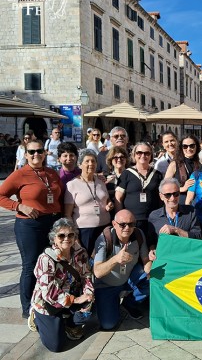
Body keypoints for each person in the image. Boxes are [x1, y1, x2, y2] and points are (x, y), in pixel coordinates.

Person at [0, 139, 62, 318]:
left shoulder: (51, 173)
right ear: (25, 154)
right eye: (32, 152)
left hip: (53, 224)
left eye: (39, 151)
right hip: (30, 225)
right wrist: (19, 206)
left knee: (52, 263)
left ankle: (47, 298)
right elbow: (1, 195)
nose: (36, 154)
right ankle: (27, 307)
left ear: (44, 153)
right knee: (30, 265)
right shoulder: (20, 174)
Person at [29, 219, 94, 352]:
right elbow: (50, 294)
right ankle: (35, 318)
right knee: (56, 346)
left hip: (71, 295)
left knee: (93, 307)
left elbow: (86, 275)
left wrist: (88, 294)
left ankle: (69, 323)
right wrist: (76, 300)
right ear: (54, 238)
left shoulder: (80, 252)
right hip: (48, 304)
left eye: (70, 235)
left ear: (75, 237)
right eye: (61, 236)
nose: (66, 239)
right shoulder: (46, 259)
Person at [93, 209, 152, 329]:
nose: (127, 228)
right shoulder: (104, 238)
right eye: (122, 224)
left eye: (131, 224)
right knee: (108, 324)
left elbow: (146, 260)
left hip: (128, 278)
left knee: (153, 281)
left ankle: (129, 302)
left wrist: (150, 272)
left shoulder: (138, 234)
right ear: (114, 224)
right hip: (106, 285)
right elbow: (97, 272)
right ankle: (111, 303)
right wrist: (115, 259)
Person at [64, 149, 113, 256]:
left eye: (93, 161)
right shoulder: (72, 185)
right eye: (87, 161)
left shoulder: (101, 182)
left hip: (105, 228)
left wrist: (109, 203)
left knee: (104, 258)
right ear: (80, 165)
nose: (91, 164)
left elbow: (106, 198)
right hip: (85, 231)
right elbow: (67, 214)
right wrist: (74, 236)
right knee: (86, 260)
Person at [115, 142, 163, 249]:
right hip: (131, 221)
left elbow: (161, 198)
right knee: (133, 249)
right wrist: (120, 219)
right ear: (134, 155)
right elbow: (118, 198)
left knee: (152, 248)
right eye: (139, 153)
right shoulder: (126, 174)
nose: (143, 156)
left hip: (152, 220)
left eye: (147, 153)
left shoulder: (157, 174)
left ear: (151, 155)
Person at [147, 178, 202, 247]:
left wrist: (177, 230)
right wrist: (152, 250)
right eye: (168, 195)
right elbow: (151, 241)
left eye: (176, 194)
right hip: (166, 255)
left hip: (185, 254)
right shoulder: (154, 216)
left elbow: (198, 237)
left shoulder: (191, 212)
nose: (172, 198)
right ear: (161, 196)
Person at [164, 135, 201, 205]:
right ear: (181, 148)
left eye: (192, 146)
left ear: (196, 146)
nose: (189, 148)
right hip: (181, 202)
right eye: (185, 146)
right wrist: (182, 188)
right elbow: (166, 185)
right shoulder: (174, 164)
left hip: (199, 202)